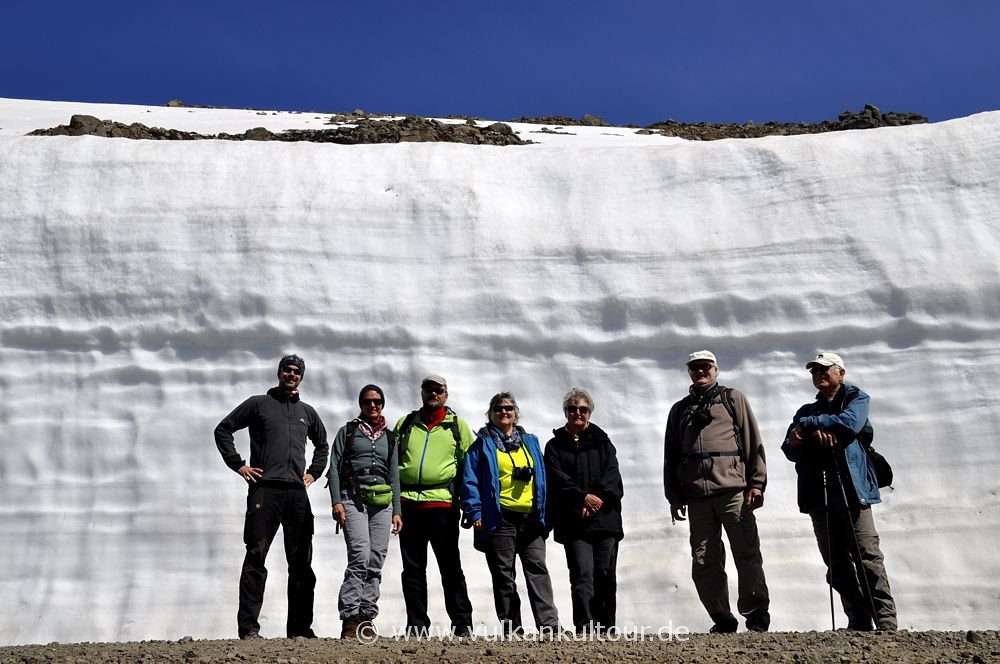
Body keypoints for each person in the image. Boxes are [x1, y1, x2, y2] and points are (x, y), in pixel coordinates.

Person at [214, 354, 329, 640]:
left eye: (296, 372)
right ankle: (249, 629)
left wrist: (313, 473)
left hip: (296, 493)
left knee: (301, 561)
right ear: (279, 373)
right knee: (256, 556)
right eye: (287, 370)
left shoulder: (307, 412)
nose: (291, 375)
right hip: (265, 490)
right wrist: (239, 465)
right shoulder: (259, 404)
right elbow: (223, 429)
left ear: (301, 377)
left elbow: (323, 445)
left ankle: (300, 629)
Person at [781, 352, 897, 631]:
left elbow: (849, 424)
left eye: (824, 370)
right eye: (814, 372)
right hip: (818, 494)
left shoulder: (857, 399)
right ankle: (858, 619)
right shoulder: (805, 410)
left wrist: (809, 427)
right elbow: (788, 448)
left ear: (840, 373)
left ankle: (885, 621)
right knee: (836, 563)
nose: (818, 375)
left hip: (853, 490)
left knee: (867, 556)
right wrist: (804, 437)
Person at [663, 350, 771, 633]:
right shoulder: (679, 410)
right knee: (704, 560)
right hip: (697, 497)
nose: (700, 371)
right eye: (695, 368)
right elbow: (671, 456)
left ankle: (755, 612)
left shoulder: (732, 399)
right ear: (689, 372)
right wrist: (674, 495)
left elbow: (752, 441)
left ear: (715, 369)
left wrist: (756, 483)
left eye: (705, 367)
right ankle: (722, 617)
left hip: (734, 492)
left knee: (746, 552)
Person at [461, 392, 560, 636]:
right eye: (498, 409)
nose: (504, 412)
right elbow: (470, 480)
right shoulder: (481, 446)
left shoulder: (531, 442)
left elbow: (543, 477)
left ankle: (549, 626)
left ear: (515, 413)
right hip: (500, 517)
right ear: (490, 415)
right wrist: (475, 511)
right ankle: (512, 628)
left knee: (537, 569)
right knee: (504, 575)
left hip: (531, 517)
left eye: (508, 408)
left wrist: (546, 511)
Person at [394, 374, 475, 636]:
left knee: (450, 567)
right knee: (413, 569)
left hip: (443, 504)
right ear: (422, 393)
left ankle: (462, 623)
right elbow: (390, 462)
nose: (433, 394)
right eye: (428, 390)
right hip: (408, 505)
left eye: (438, 390)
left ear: (446, 394)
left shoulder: (456, 426)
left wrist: (467, 502)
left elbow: (469, 465)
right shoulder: (406, 423)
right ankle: (417, 625)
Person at [544, 387, 624, 634]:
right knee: (581, 574)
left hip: (605, 519)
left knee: (605, 573)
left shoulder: (603, 442)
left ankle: (606, 626)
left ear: (589, 412)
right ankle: (585, 625)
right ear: (565, 412)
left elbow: (612, 475)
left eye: (582, 409)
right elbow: (556, 479)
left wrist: (597, 498)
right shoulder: (555, 446)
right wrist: (583, 498)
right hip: (574, 520)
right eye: (572, 409)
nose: (577, 413)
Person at [327, 384, 403, 638]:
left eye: (378, 402)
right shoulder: (348, 432)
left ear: (383, 404)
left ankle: (366, 617)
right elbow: (334, 467)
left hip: (382, 503)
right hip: (353, 499)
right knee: (360, 555)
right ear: (361, 404)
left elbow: (393, 474)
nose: (373, 406)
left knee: (376, 558)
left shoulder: (390, 437)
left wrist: (397, 511)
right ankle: (350, 617)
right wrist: (336, 501)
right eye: (368, 401)